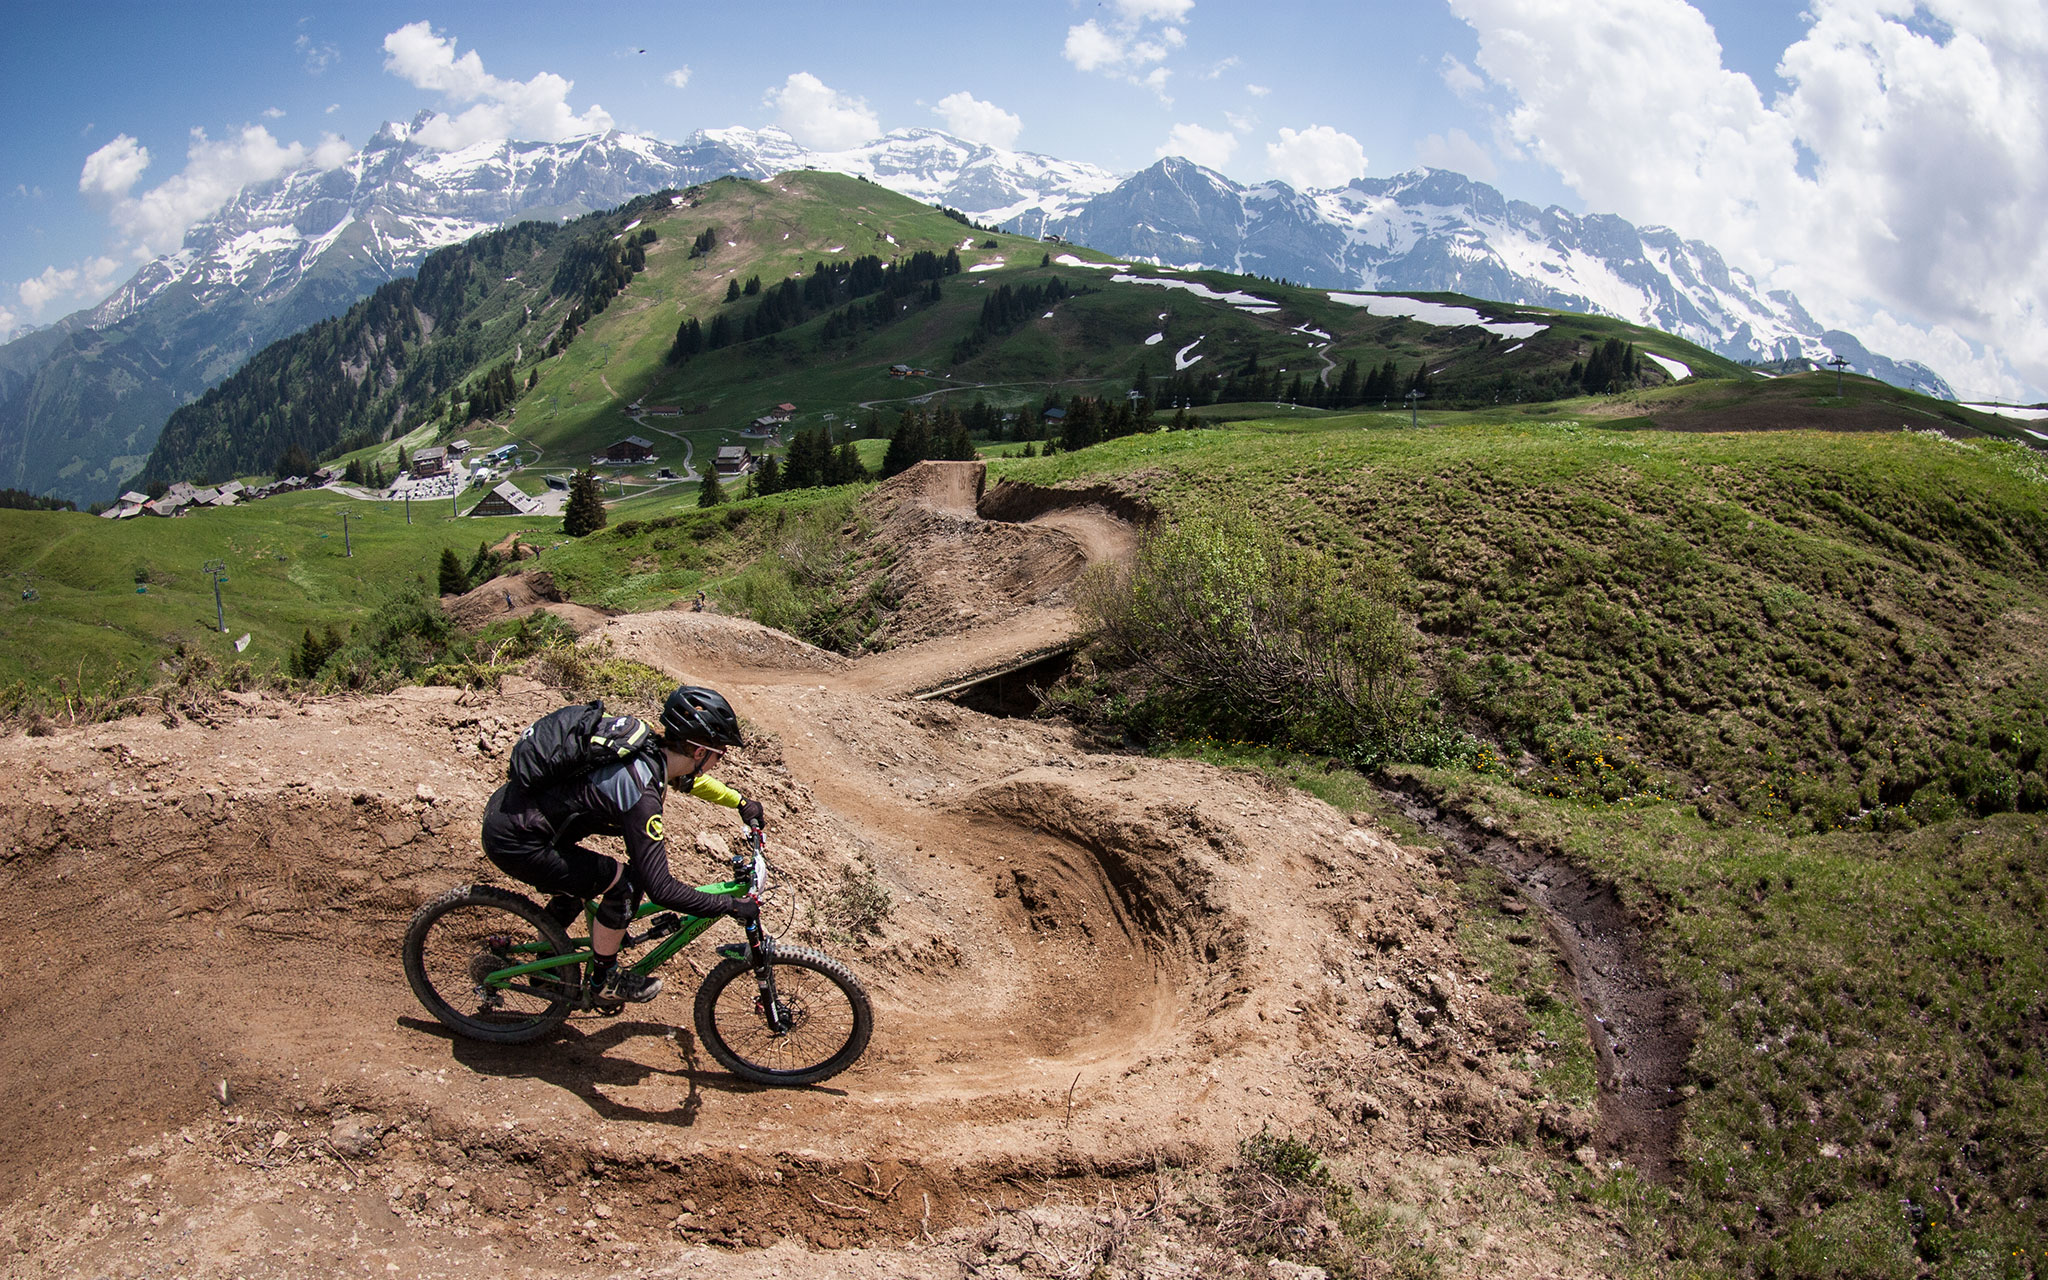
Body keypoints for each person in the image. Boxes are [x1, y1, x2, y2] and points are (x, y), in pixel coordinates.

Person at [481, 684, 767, 1005]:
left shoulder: (646, 748)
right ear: (700, 752)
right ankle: (605, 979)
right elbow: (661, 889)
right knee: (627, 884)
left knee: (584, 884)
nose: (720, 759)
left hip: (512, 811)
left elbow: (687, 779)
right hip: (518, 840)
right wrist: (729, 906)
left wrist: (740, 802)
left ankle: (546, 962)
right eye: (720, 753)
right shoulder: (641, 796)